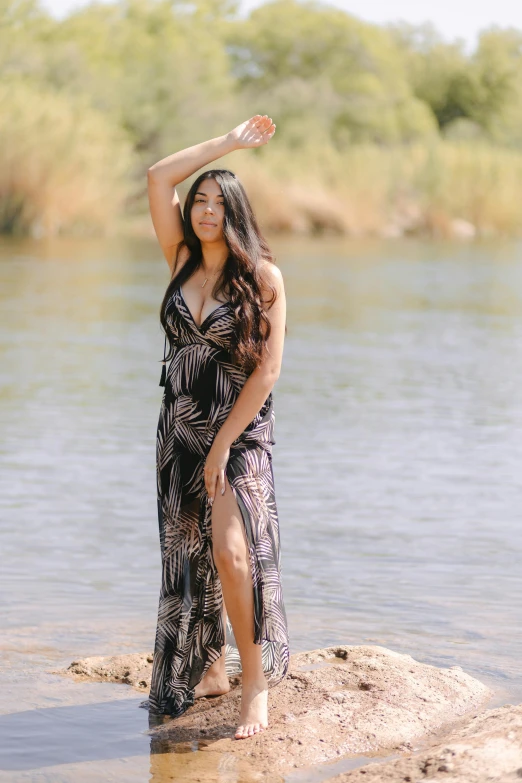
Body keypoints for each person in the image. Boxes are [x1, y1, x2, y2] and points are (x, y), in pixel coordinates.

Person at [144, 115, 290, 740]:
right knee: (188, 555)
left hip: (239, 432)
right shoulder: (179, 260)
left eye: (216, 203)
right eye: (198, 201)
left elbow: (267, 373)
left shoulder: (262, 277)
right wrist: (228, 144)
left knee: (233, 552)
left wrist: (224, 444)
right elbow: (156, 175)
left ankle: (252, 681)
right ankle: (208, 667)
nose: (204, 212)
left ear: (236, 213)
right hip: (179, 430)